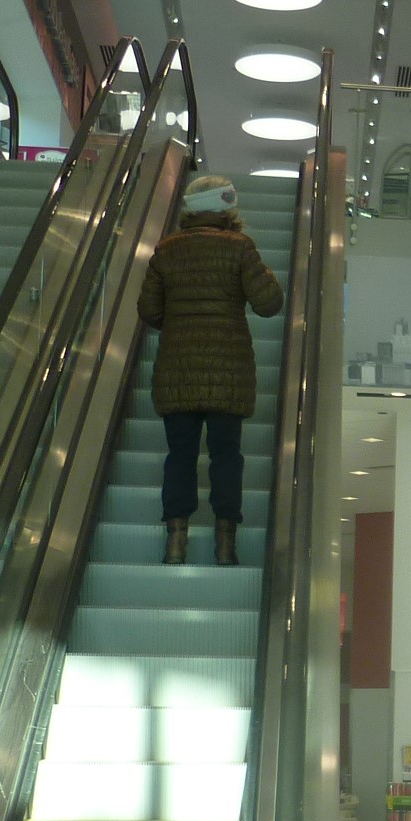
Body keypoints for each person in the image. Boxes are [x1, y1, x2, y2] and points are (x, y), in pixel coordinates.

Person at [139, 173, 282, 565]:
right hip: (228, 373)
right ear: (226, 208)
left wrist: (182, 322)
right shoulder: (240, 248)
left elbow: (148, 310)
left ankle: (175, 545)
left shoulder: (167, 250)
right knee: (226, 456)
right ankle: (225, 546)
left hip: (178, 371)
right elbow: (269, 303)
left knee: (180, 455)